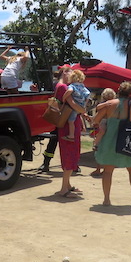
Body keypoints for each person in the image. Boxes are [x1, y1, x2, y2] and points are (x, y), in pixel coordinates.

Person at [93, 81, 131, 206]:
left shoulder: (109, 104)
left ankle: (106, 199)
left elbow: (96, 120)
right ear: (130, 92)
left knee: (108, 171)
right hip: (126, 140)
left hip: (109, 140)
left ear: (118, 90)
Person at [55, 65, 85, 198]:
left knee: (68, 152)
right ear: (65, 73)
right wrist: (83, 110)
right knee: (70, 153)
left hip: (66, 123)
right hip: (69, 125)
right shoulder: (63, 87)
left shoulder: (60, 86)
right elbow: (72, 104)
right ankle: (64, 189)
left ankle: (67, 185)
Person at [89, 88, 117, 176]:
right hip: (107, 124)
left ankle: (100, 169)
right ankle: (102, 169)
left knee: (102, 148)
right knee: (105, 147)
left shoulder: (111, 104)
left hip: (107, 124)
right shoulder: (107, 104)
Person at [62, 70, 90, 141]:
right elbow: (88, 94)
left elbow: (69, 91)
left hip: (74, 106)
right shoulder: (82, 86)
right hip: (81, 105)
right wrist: (84, 104)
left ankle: (71, 135)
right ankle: (82, 128)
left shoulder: (72, 86)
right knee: (78, 117)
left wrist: (64, 97)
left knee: (71, 121)